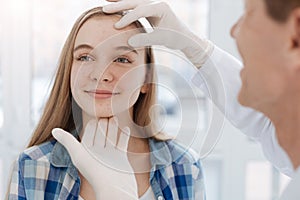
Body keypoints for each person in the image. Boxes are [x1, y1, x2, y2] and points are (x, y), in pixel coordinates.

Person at [101, 0, 300, 199]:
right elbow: (265, 120)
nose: (234, 31)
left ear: (295, 34)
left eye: (249, 15)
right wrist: (193, 46)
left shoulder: (181, 165)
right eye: (85, 57)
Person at [6, 6, 206, 200]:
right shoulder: (33, 166)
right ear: (69, 71)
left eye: (122, 59)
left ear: (147, 78)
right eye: (85, 57)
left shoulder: (184, 165)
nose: (101, 74)